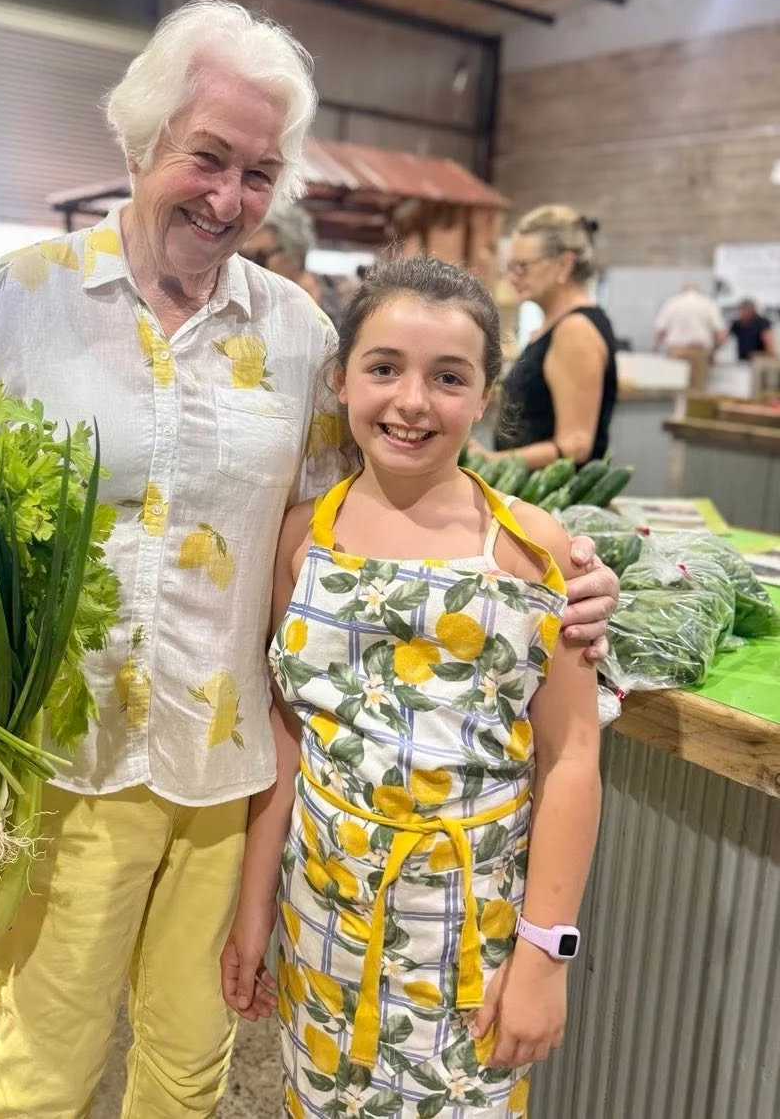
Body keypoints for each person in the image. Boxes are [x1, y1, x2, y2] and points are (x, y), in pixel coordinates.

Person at [0, 0, 618, 1119]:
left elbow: (357, 525)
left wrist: (565, 566)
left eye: (259, 173)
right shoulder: (21, 303)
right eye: (207, 156)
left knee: (189, 1061)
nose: (228, 197)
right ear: (141, 143)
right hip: (70, 757)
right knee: (44, 1067)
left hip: (232, 770)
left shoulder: (300, 336)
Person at [222, 259, 601, 1119]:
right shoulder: (299, 542)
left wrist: (545, 955)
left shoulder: (532, 552)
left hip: (470, 935)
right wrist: (255, 910)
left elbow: (573, 757)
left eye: (449, 378)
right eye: (384, 367)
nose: (412, 401)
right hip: (322, 916)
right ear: (341, 379)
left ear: (485, 395)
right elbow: (286, 729)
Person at [486, 205, 617, 466]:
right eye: (511, 267)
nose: (513, 278)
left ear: (564, 264)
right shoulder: (553, 326)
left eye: (523, 266)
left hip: (554, 497)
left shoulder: (575, 330)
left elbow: (576, 445)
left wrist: (491, 460)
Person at [242, 197, 346, 326]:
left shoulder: (333, 305)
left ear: (295, 253)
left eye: (260, 257)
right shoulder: (251, 300)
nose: (251, 266)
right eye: (246, 256)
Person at [654, 282, 726, 392]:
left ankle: (677, 408)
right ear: (698, 291)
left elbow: (660, 330)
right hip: (699, 351)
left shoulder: (672, 303)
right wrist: (713, 353)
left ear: (683, 290)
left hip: (676, 350)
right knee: (698, 390)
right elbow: (720, 334)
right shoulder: (707, 304)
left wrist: (659, 348)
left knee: (676, 387)